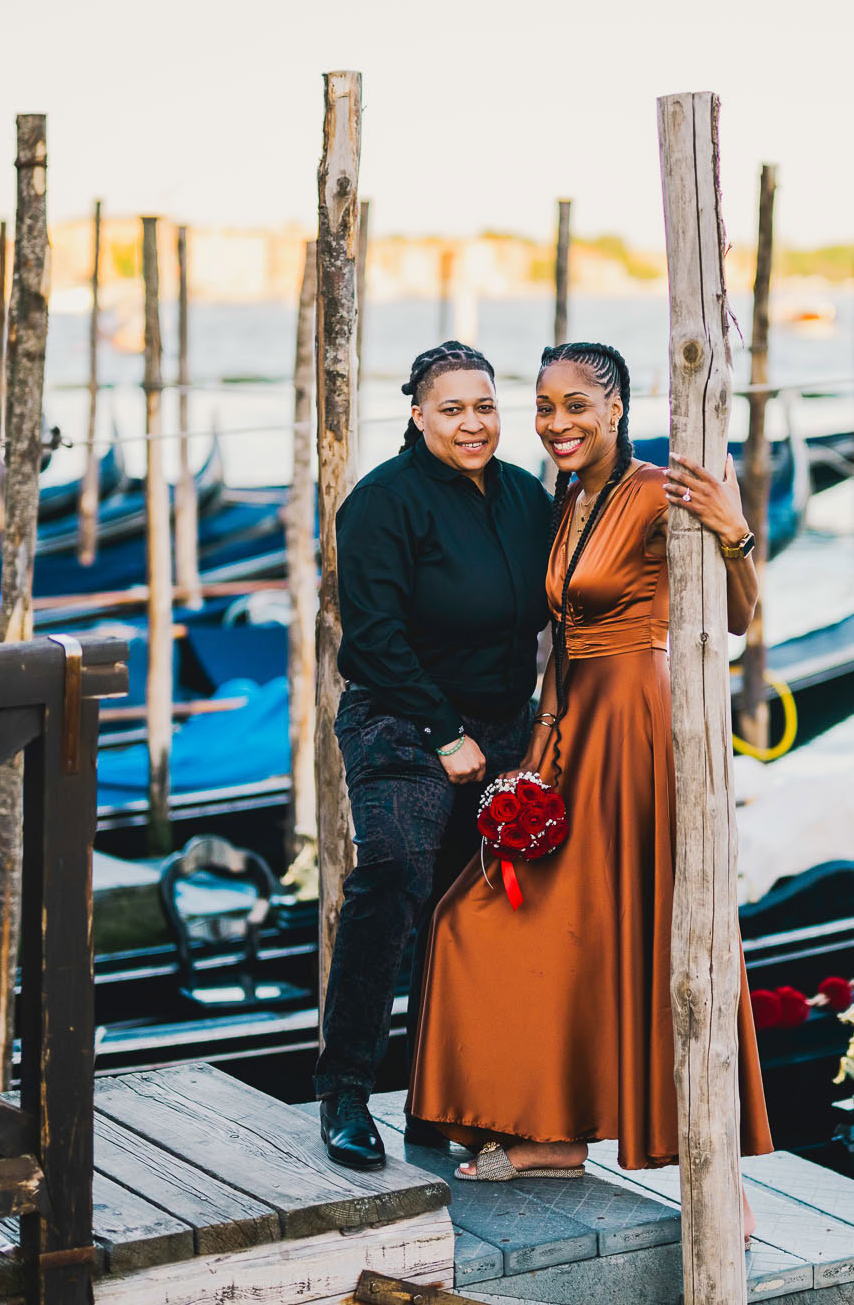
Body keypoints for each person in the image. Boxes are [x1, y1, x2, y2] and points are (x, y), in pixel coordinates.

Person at [408, 342, 773, 1198]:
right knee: (483, 915)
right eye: (543, 407)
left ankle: (716, 1176)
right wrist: (540, 746)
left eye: (575, 405)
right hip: (569, 727)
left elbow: (737, 620)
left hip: (639, 729)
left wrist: (734, 532)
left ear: (616, 409)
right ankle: (554, 1130)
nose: (556, 423)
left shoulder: (656, 490)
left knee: (651, 928)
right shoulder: (565, 499)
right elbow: (561, 638)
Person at [316, 340, 554, 1170]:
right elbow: (374, 639)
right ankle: (345, 1089)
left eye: (484, 406)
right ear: (417, 415)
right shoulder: (381, 503)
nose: (472, 423)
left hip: (502, 727)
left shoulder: (528, 497)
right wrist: (446, 735)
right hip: (400, 721)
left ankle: (436, 1099)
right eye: (451, 408)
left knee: (472, 913)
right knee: (394, 880)